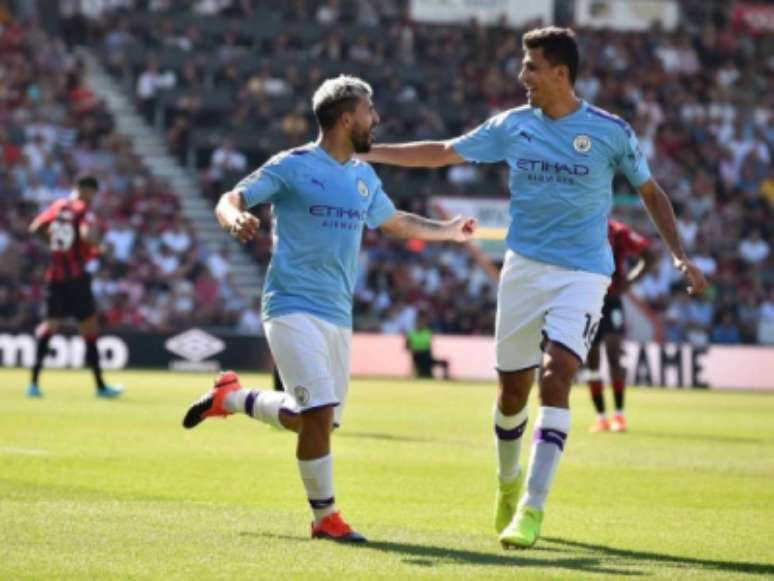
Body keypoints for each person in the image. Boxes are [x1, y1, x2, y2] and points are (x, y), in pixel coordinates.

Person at [360, 26, 707, 549]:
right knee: (511, 392)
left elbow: (651, 192)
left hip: (584, 273)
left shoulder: (611, 132)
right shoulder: (513, 125)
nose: (522, 76)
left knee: (558, 374)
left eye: (531, 67)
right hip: (523, 269)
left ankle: (532, 507)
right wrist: (370, 153)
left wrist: (680, 254)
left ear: (560, 73)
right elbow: (444, 151)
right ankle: (507, 481)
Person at [181, 75, 476, 544]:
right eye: (369, 112)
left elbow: (395, 222)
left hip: (338, 315)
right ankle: (325, 517)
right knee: (318, 412)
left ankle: (231, 397)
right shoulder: (293, 165)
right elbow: (229, 197)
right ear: (345, 118)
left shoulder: (363, 176)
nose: (375, 119)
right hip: (290, 304)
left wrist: (449, 230)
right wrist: (234, 217)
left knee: (309, 420)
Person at [26, 175, 122, 399]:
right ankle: (100, 387)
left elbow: (35, 227)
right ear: (88, 191)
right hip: (76, 278)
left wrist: (52, 244)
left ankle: (33, 384)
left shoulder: (58, 206)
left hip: (55, 277)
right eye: (93, 194)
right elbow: (87, 235)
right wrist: (100, 249)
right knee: (89, 329)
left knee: (49, 327)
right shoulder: (83, 210)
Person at [587, 220, 655, 433]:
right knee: (592, 361)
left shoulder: (618, 231)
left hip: (612, 300)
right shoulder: (580, 224)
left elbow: (649, 256)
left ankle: (619, 416)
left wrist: (629, 282)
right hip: (587, 301)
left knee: (613, 355)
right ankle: (601, 417)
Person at [406, 312, 450, 379]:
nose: (420, 324)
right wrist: (416, 349)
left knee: (444, 362)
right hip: (417, 358)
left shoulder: (428, 333)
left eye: (422, 322)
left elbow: (430, 347)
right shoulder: (411, 334)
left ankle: (445, 377)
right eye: (419, 322)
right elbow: (407, 346)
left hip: (427, 357)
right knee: (425, 374)